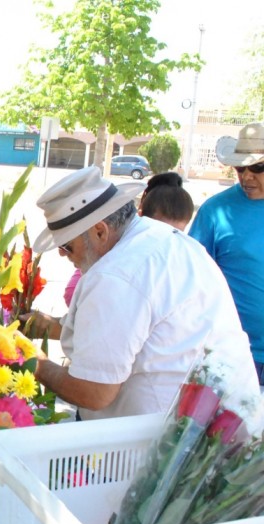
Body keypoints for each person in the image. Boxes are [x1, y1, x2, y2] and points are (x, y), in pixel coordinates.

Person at [25, 166, 258, 420]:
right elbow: (130, 329)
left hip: (171, 439)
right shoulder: (157, 237)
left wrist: (35, 362)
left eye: (66, 246)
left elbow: (93, 392)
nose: (61, 254)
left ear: (100, 231)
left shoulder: (116, 274)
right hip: (221, 419)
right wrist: (51, 326)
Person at [190, 123, 264, 386]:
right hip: (234, 355)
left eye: (257, 167)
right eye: (240, 167)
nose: (246, 176)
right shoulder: (215, 211)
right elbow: (191, 279)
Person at [63, 172, 195, 307]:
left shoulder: (178, 263)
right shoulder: (116, 266)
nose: (165, 239)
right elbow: (72, 292)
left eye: (176, 232)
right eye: (158, 229)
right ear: (140, 218)